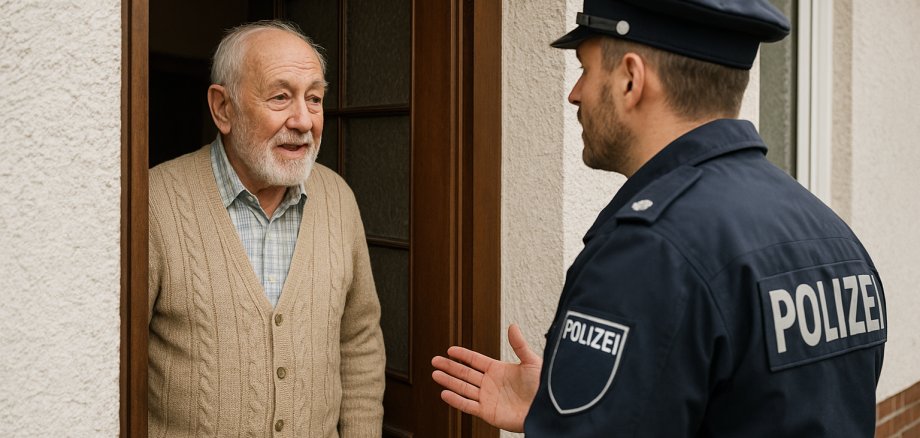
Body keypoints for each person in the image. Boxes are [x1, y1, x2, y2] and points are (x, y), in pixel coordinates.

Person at [432, 0, 887, 436]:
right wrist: (568, 408)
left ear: (631, 79)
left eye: (585, 70)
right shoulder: (833, 237)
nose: (575, 94)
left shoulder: (650, 252)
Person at [148, 21, 385, 437]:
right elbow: (109, 361)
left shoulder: (339, 199)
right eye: (280, 97)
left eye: (314, 99)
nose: (303, 120)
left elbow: (359, 340)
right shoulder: (155, 201)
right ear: (223, 108)